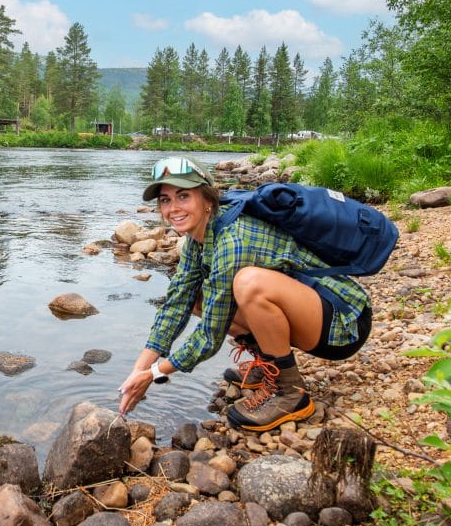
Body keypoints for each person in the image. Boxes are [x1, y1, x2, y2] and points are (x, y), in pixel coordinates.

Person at [117, 156, 372, 432]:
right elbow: (176, 304)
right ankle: (269, 365)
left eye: (183, 196)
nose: (173, 208)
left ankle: (290, 393)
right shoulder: (196, 239)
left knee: (248, 283)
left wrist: (155, 374)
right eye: (165, 200)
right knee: (197, 297)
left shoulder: (233, 240)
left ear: (208, 201)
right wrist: (138, 370)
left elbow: (210, 336)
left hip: (343, 324)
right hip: (312, 313)